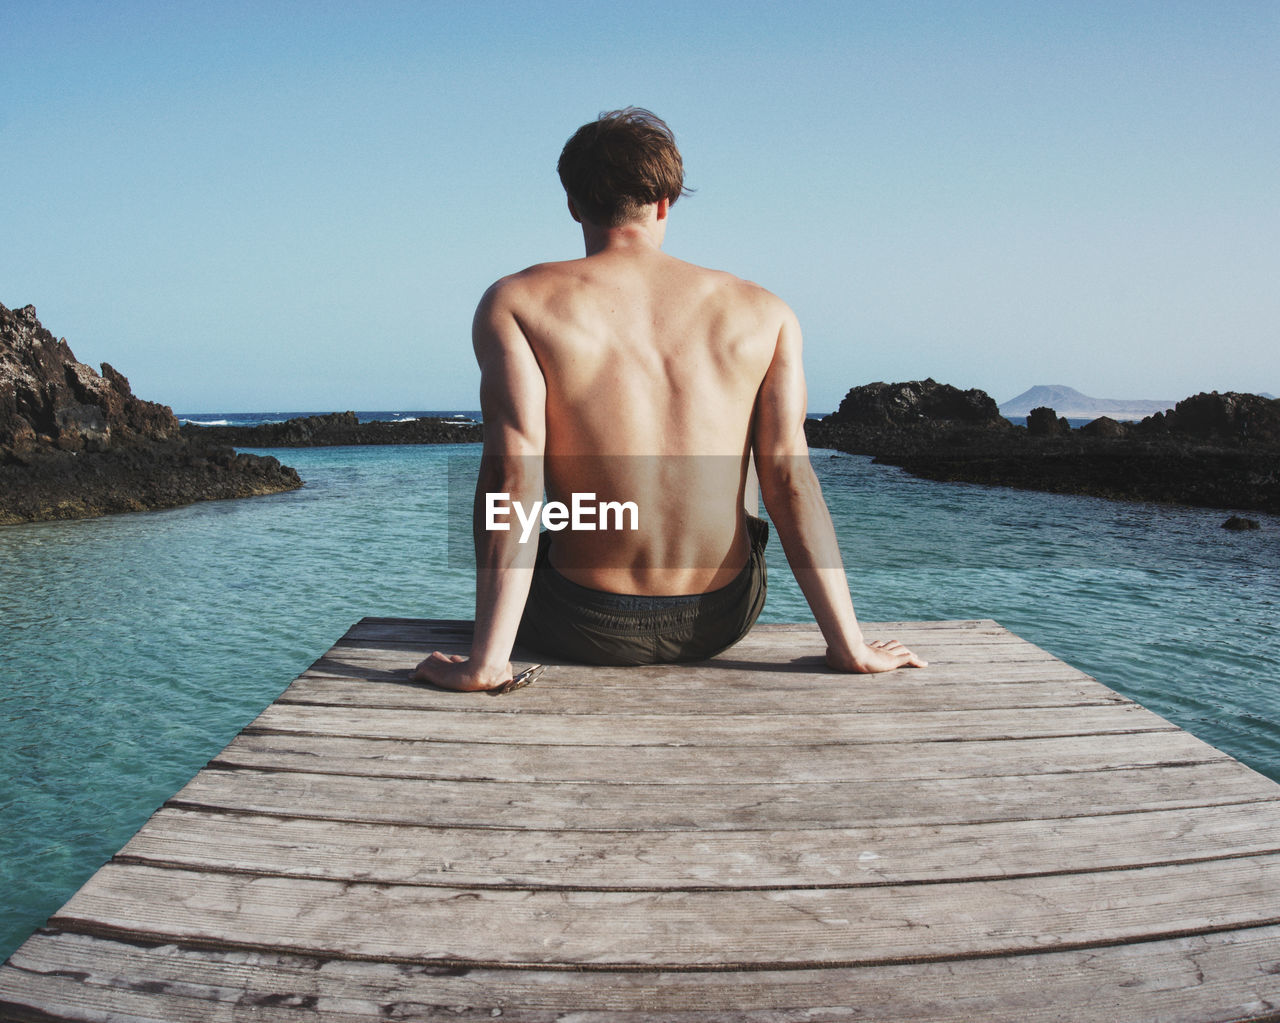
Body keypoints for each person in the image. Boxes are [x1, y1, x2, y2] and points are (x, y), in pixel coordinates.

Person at [413, 108, 925, 691]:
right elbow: (791, 480)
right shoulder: (766, 312)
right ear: (664, 203)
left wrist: (487, 664)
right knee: (764, 462)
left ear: (574, 204)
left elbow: (513, 478)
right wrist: (850, 646)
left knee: (509, 464)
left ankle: (492, 649)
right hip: (721, 619)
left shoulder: (518, 302)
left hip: (578, 621)